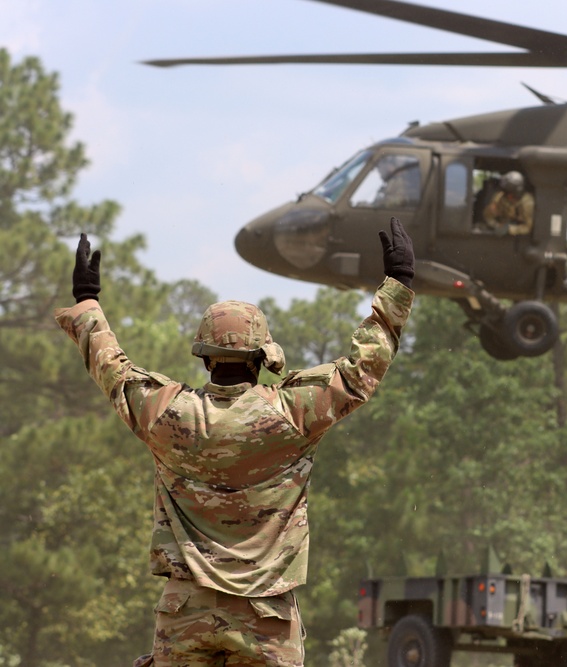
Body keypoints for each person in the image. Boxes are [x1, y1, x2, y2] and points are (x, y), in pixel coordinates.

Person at [55, 219, 415, 667]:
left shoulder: (168, 414)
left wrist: (87, 302)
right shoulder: (292, 414)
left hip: (184, 612)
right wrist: (397, 286)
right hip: (265, 614)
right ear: (264, 358)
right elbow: (362, 369)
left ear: (205, 358)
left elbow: (111, 367)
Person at [483, 170, 534, 236]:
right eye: (505, 192)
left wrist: (509, 229)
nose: (505, 195)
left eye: (509, 193)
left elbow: (528, 228)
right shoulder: (500, 197)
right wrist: (496, 225)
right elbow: (488, 216)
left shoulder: (527, 202)